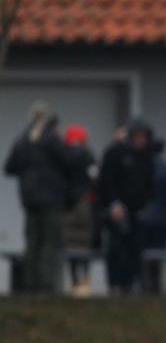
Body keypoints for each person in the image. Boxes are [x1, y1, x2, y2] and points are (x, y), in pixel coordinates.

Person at [4, 102, 73, 293]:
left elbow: (10, 167)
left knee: (32, 242)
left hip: (29, 199)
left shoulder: (23, 140)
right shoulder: (52, 139)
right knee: (48, 242)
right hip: (51, 200)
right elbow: (69, 162)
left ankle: (29, 285)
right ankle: (46, 287)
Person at [97, 119, 155, 294]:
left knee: (135, 248)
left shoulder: (145, 156)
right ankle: (115, 284)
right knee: (116, 248)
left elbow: (148, 183)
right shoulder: (115, 153)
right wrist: (113, 203)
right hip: (118, 210)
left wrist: (146, 203)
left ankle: (132, 283)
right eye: (138, 137)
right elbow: (106, 182)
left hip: (138, 210)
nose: (141, 141)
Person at [139, 139, 166, 294]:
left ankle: (145, 287)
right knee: (158, 255)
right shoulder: (164, 168)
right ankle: (155, 288)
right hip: (161, 219)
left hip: (144, 218)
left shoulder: (142, 166)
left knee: (144, 256)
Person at [62, 125, 98, 297]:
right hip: (84, 204)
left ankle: (74, 281)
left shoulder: (63, 155)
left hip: (66, 206)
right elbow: (95, 178)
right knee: (84, 243)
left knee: (69, 244)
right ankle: (84, 282)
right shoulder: (88, 155)